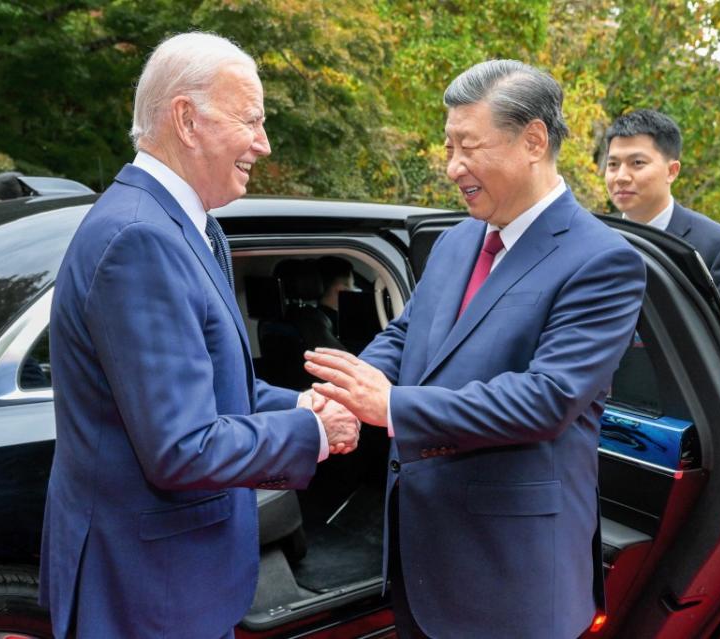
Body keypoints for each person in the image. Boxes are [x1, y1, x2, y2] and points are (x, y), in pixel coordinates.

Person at [305, 60, 646, 639]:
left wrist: (390, 407)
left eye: (468, 147)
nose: (452, 167)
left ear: (533, 140)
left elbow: (548, 398)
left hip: (512, 575)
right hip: (422, 556)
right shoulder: (458, 238)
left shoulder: (601, 260)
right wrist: (347, 391)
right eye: (448, 147)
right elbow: (411, 334)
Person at [39, 32, 359, 639]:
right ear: (186, 120)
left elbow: (211, 386)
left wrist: (299, 401)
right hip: (146, 592)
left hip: (169, 580)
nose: (263, 144)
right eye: (251, 121)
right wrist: (314, 432)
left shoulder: (191, 226)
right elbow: (181, 446)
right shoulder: (141, 239)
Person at [604, 109, 720, 381]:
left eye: (637, 163)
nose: (621, 176)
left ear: (672, 171)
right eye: (612, 165)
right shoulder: (595, 237)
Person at [316, 255, 356, 336]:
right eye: (352, 285)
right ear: (341, 289)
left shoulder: (312, 317)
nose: (353, 290)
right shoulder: (342, 324)